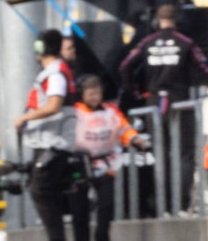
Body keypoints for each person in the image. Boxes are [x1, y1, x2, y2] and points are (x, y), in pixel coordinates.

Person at [117, 4, 208, 214]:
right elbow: (205, 67)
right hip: (180, 102)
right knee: (185, 153)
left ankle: (163, 204)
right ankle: (181, 203)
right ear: (178, 21)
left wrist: (135, 92)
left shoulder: (147, 42)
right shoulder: (186, 42)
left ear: (156, 21)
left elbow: (125, 66)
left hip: (154, 103)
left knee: (160, 153)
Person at [18, 28, 84, 241]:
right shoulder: (57, 70)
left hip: (54, 142)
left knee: (40, 190)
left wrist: (25, 118)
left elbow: (54, 105)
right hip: (50, 141)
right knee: (47, 191)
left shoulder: (55, 73)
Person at [72, 75, 148, 241]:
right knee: (79, 210)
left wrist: (135, 139)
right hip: (80, 166)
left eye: (97, 94)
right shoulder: (75, 111)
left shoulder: (111, 110)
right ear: (82, 95)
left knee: (106, 207)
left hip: (107, 165)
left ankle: (102, 237)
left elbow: (123, 128)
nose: (95, 98)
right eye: (91, 94)